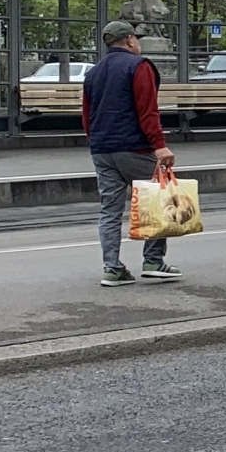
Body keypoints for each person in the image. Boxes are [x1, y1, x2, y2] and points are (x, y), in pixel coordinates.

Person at [82, 19, 179, 286]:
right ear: (129, 41)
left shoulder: (93, 72)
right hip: (134, 146)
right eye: (136, 39)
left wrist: (97, 142)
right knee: (159, 200)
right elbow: (148, 110)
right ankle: (153, 261)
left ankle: (112, 268)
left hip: (102, 149)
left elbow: (87, 115)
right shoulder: (139, 66)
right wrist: (159, 145)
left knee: (110, 210)